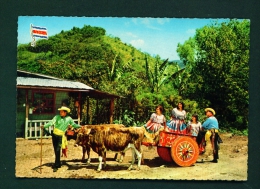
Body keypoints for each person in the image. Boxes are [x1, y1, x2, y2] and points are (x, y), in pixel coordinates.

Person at [41, 106, 81, 172]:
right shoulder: (57, 117)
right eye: (60, 111)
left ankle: (56, 165)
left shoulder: (69, 119)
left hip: (60, 136)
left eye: (62, 111)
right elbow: (51, 122)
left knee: (57, 149)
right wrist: (44, 126)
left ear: (65, 112)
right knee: (55, 149)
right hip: (54, 135)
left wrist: (80, 126)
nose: (60, 112)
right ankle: (58, 163)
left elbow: (74, 124)